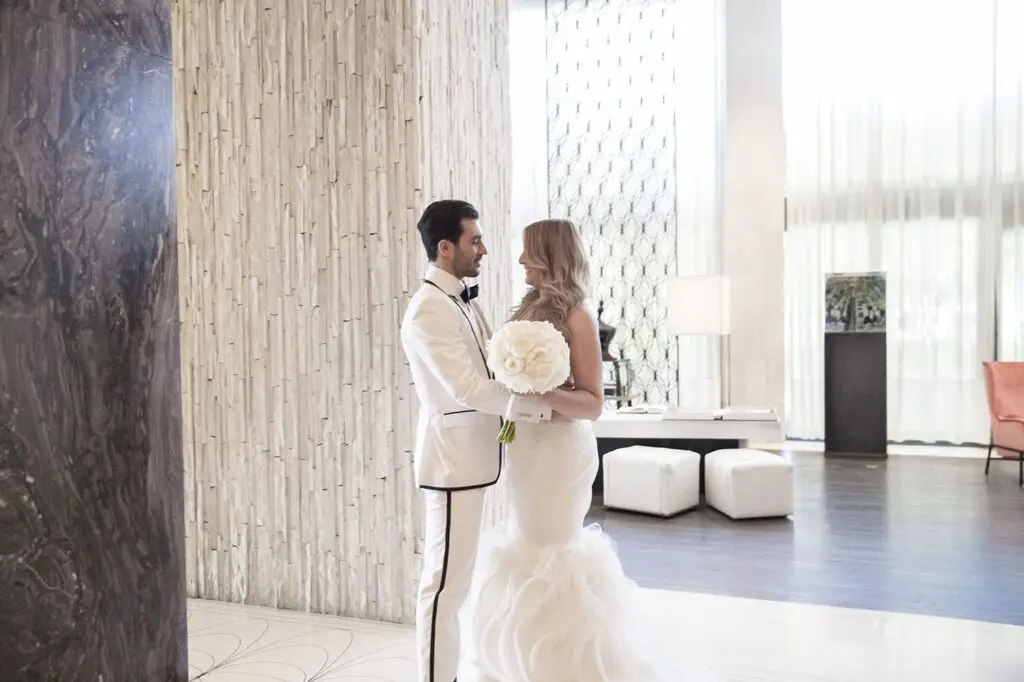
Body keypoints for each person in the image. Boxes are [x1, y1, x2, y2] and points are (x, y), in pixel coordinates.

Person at [465, 219, 658, 682]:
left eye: (527, 251)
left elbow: (592, 404)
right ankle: (519, 661)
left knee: (550, 550)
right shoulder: (528, 306)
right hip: (527, 447)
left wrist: (539, 390)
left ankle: (562, 668)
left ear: (550, 254)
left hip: (559, 452)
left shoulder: (579, 314)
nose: (519, 260)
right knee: (524, 542)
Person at [400, 200, 552, 682]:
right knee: (444, 587)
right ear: (446, 248)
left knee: (457, 584)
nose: (483, 249)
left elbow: (492, 370)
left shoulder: (461, 298)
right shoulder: (428, 310)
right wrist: (542, 408)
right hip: (452, 464)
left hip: (476, 459)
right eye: (475, 240)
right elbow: (468, 388)